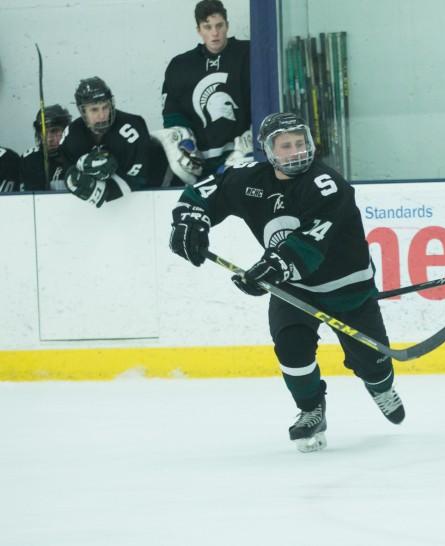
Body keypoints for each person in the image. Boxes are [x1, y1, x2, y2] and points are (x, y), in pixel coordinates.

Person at [168, 112, 405, 452]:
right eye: (286, 146)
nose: (296, 151)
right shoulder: (249, 179)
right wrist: (189, 219)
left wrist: (271, 268)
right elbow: (204, 192)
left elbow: (311, 243)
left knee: (373, 362)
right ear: (269, 150)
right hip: (292, 290)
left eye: (300, 143)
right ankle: (311, 410)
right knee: (292, 351)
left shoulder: (327, 183)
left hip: (347, 289)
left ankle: (380, 386)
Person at [158, 0, 252, 184]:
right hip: (200, 162)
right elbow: (172, 113)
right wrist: (183, 142)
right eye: (207, 27)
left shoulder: (249, 53)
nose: (214, 33)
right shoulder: (180, 66)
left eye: (219, 25)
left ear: (227, 26)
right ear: (199, 30)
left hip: (245, 155)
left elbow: (267, 98)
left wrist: (254, 133)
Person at [62, 77, 150, 207]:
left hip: (142, 203)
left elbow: (141, 176)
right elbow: (69, 173)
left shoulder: (133, 127)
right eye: (94, 110)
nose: (102, 115)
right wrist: (74, 178)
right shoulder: (72, 134)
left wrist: (108, 192)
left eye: (105, 107)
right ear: (82, 111)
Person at [20, 104, 73, 191]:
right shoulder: (30, 159)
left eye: (54, 131)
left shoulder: (77, 154)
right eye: (43, 133)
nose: (49, 139)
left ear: (66, 129)